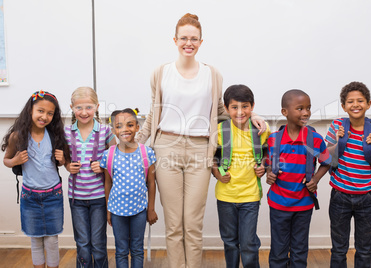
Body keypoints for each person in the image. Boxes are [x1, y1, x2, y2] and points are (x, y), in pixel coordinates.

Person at [136, 13, 266, 268]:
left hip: (200, 149)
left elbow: (220, 109)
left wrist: (253, 115)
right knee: (174, 223)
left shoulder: (212, 74)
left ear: (201, 41)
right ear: (175, 40)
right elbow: (154, 112)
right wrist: (135, 145)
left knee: (192, 222)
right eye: (183, 38)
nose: (188, 43)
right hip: (166, 147)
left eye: (193, 39)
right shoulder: (160, 73)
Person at [325, 82, 371, 267]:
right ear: (344, 106)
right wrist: (338, 141)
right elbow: (325, 156)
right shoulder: (337, 126)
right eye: (350, 101)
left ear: (368, 104)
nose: (355, 104)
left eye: (360, 100)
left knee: (364, 249)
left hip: (366, 199)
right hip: (340, 196)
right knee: (338, 249)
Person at [265, 89, 331, 267]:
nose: (306, 112)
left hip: (304, 204)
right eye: (300, 108)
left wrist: (315, 179)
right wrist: (269, 171)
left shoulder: (315, 139)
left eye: (308, 108)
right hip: (279, 203)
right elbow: (267, 162)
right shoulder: (273, 139)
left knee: (299, 249)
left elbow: (326, 163)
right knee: (278, 249)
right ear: (284, 112)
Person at [2, 90, 68, 268]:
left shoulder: (55, 136)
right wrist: (15, 160)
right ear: (30, 110)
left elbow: (60, 162)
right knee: (36, 241)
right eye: (40, 111)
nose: (44, 116)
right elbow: (6, 160)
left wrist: (62, 160)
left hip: (53, 195)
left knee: (52, 241)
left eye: (50, 113)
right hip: (29, 197)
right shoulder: (18, 136)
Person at [212, 85, 270, 268]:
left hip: (250, 196)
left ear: (252, 106)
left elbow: (269, 154)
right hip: (225, 196)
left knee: (248, 243)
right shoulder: (220, 130)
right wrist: (218, 174)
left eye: (245, 106)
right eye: (234, 107)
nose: (240, 112)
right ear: (227, 108)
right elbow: (212, 160)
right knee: (230, 241)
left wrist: (264, 166)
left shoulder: (260, 129)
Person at [64, 87, 116, 268]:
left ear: (97, 106)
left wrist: (103, 166)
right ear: (72, 107)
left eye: (89, 107)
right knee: (83, 244)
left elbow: (114, 159)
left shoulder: (105, 131)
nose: (84, 112)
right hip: (76, 197)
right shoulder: (66, 132)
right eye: (79, 108)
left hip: (99, 197)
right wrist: (68, 166)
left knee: (98, 244)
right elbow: (65, 159)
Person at [101, 108, 158, 268]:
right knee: (121, 250)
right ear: (113, 131)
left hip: (139, 210)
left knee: (137, 249)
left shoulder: (146, 153)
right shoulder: (109, 154)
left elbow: (151, 183)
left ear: (137, 127)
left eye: (130, 125)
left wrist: (151, 209)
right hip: (117, 211)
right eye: (119, 126)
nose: (125, 129)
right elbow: (108, 183)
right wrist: (108, 210)